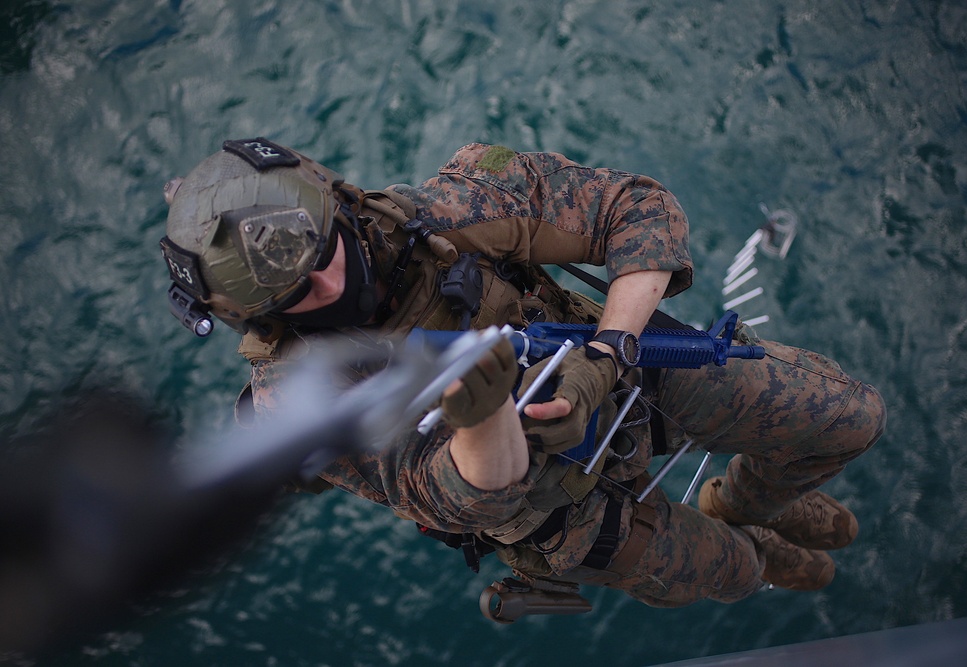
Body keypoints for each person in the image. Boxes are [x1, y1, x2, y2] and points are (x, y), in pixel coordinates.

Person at [159, 137, 886, 612]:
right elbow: (452, 499)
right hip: (564, 511)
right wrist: (483, 417)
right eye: (296, 293)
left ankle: (745, 498)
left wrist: (605, 356)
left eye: (326, 248)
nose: (331, 279)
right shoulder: (296, 402)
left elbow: (638, 207)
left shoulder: (457, 206)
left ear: (330, 199)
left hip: (630, 374)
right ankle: (752, 544)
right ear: (255, 316)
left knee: (854, 419)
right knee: (741, 572)